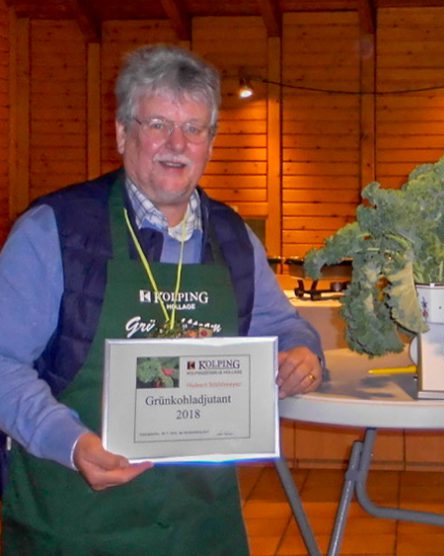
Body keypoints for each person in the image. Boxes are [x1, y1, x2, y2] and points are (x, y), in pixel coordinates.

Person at [0, 44, 326, 553]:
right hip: (74, 523)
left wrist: (302, 353)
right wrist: (70, 441)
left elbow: (282, 324)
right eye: (157, 125)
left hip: (202, 529)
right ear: (122, 133)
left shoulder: (236, 238)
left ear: (210, 142)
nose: (176, 143)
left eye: (194, 129)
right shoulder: (53, 231)